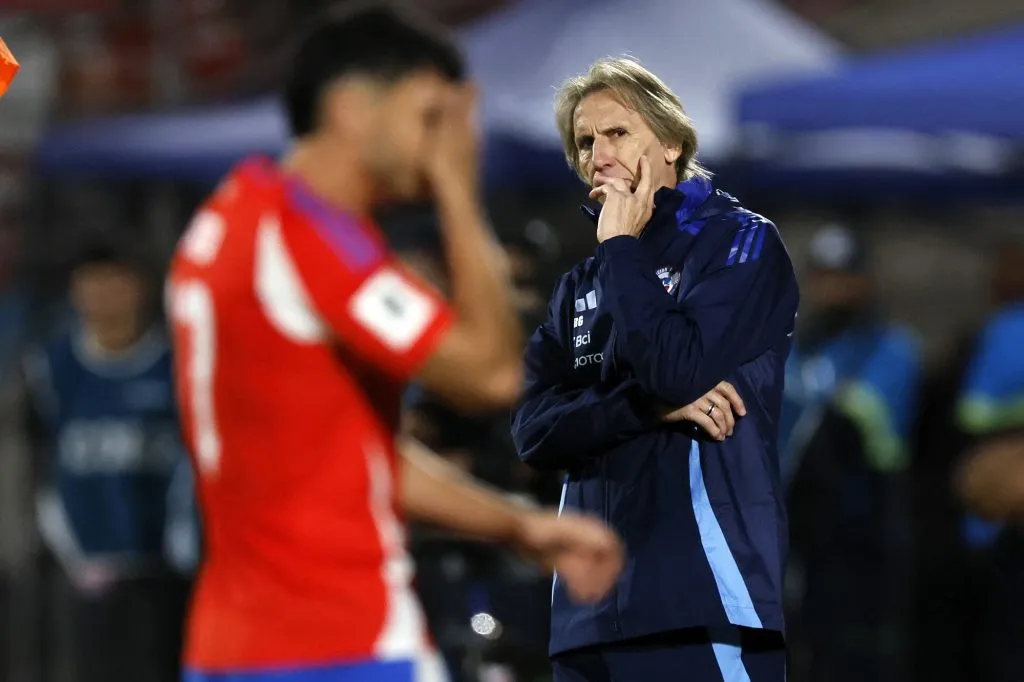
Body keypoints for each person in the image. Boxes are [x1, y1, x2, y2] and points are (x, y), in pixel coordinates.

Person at [166, 5, 624, 682]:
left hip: (234, 648)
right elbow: (493, 373)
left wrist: (519, 526)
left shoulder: (235, 214)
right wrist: (459, 193)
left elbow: (351, 459)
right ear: (354, 109)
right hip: (342, 638)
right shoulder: (309, 237)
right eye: (431, 116)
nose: (446, 139)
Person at [511, 57, 799, 682]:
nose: (598, 154)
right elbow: (532, 431)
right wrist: (640, 407)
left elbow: (676, 369)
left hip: (703, 600)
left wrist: (620, 246)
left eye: (618, 133)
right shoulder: (580, 285)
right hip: (587, 615)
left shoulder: (739, 243)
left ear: (672, 142)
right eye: (585, 142)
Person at [23, 236, 190, 682]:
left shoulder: (177, 365)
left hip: (169, 573)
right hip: (88, 575)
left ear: (142, 286)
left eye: (117, 280)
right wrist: (71, 555)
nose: (104, 293)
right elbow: (35, 470)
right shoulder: (51, 368)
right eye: (92, 281)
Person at [778, 225, 920, 682]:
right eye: (825, 276)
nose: (835, 288)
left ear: (865, 281)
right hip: (798, 530)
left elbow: (869, 425)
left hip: (866, 529)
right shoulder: (796, 349)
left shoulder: (892, 349)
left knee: (858, 653)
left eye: (845, 275)